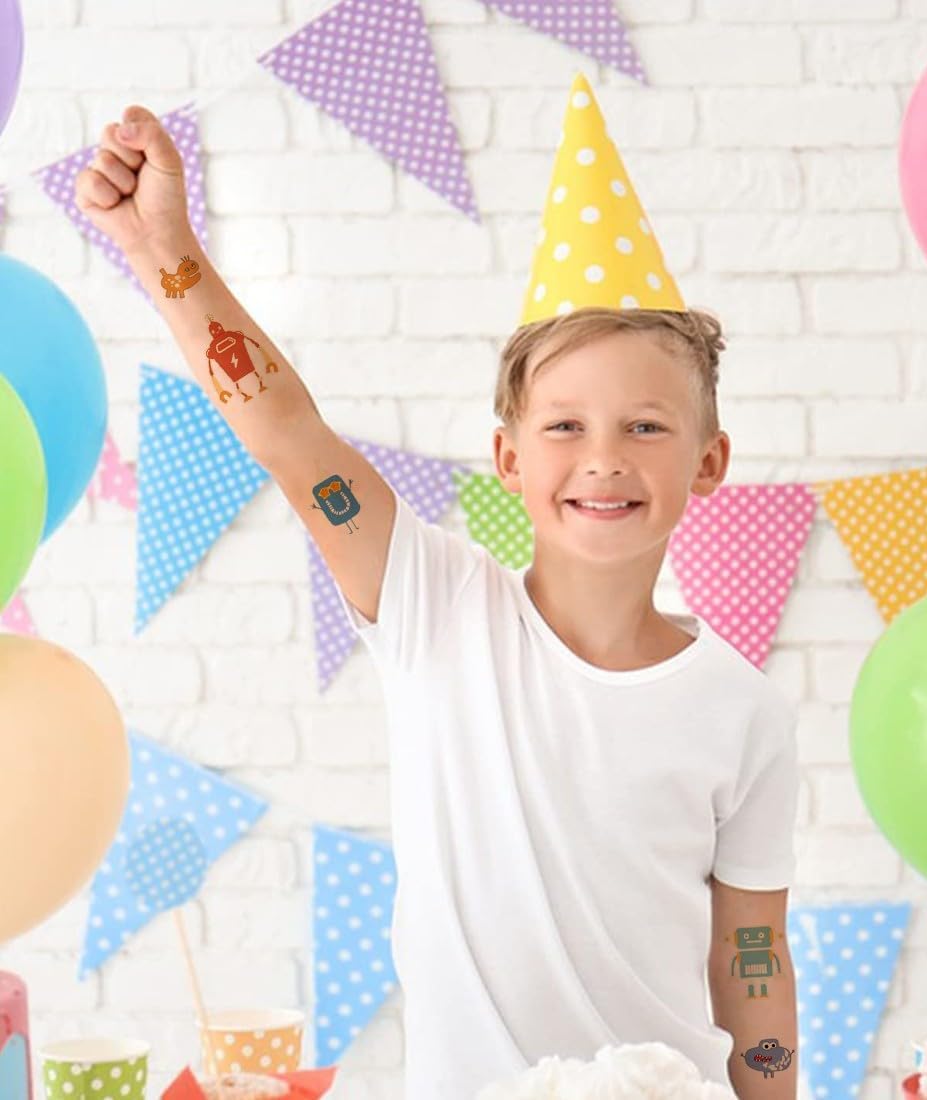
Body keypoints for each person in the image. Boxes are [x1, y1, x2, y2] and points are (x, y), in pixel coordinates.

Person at [75, 72, 800, 1100]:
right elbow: (288, 433)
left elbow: (751, 957)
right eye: (564, 425)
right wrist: (164, 252)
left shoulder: (744, 711)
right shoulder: (434, 605)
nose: (603, 457)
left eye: (645, 425)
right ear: (507, 459)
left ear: (709, 460)